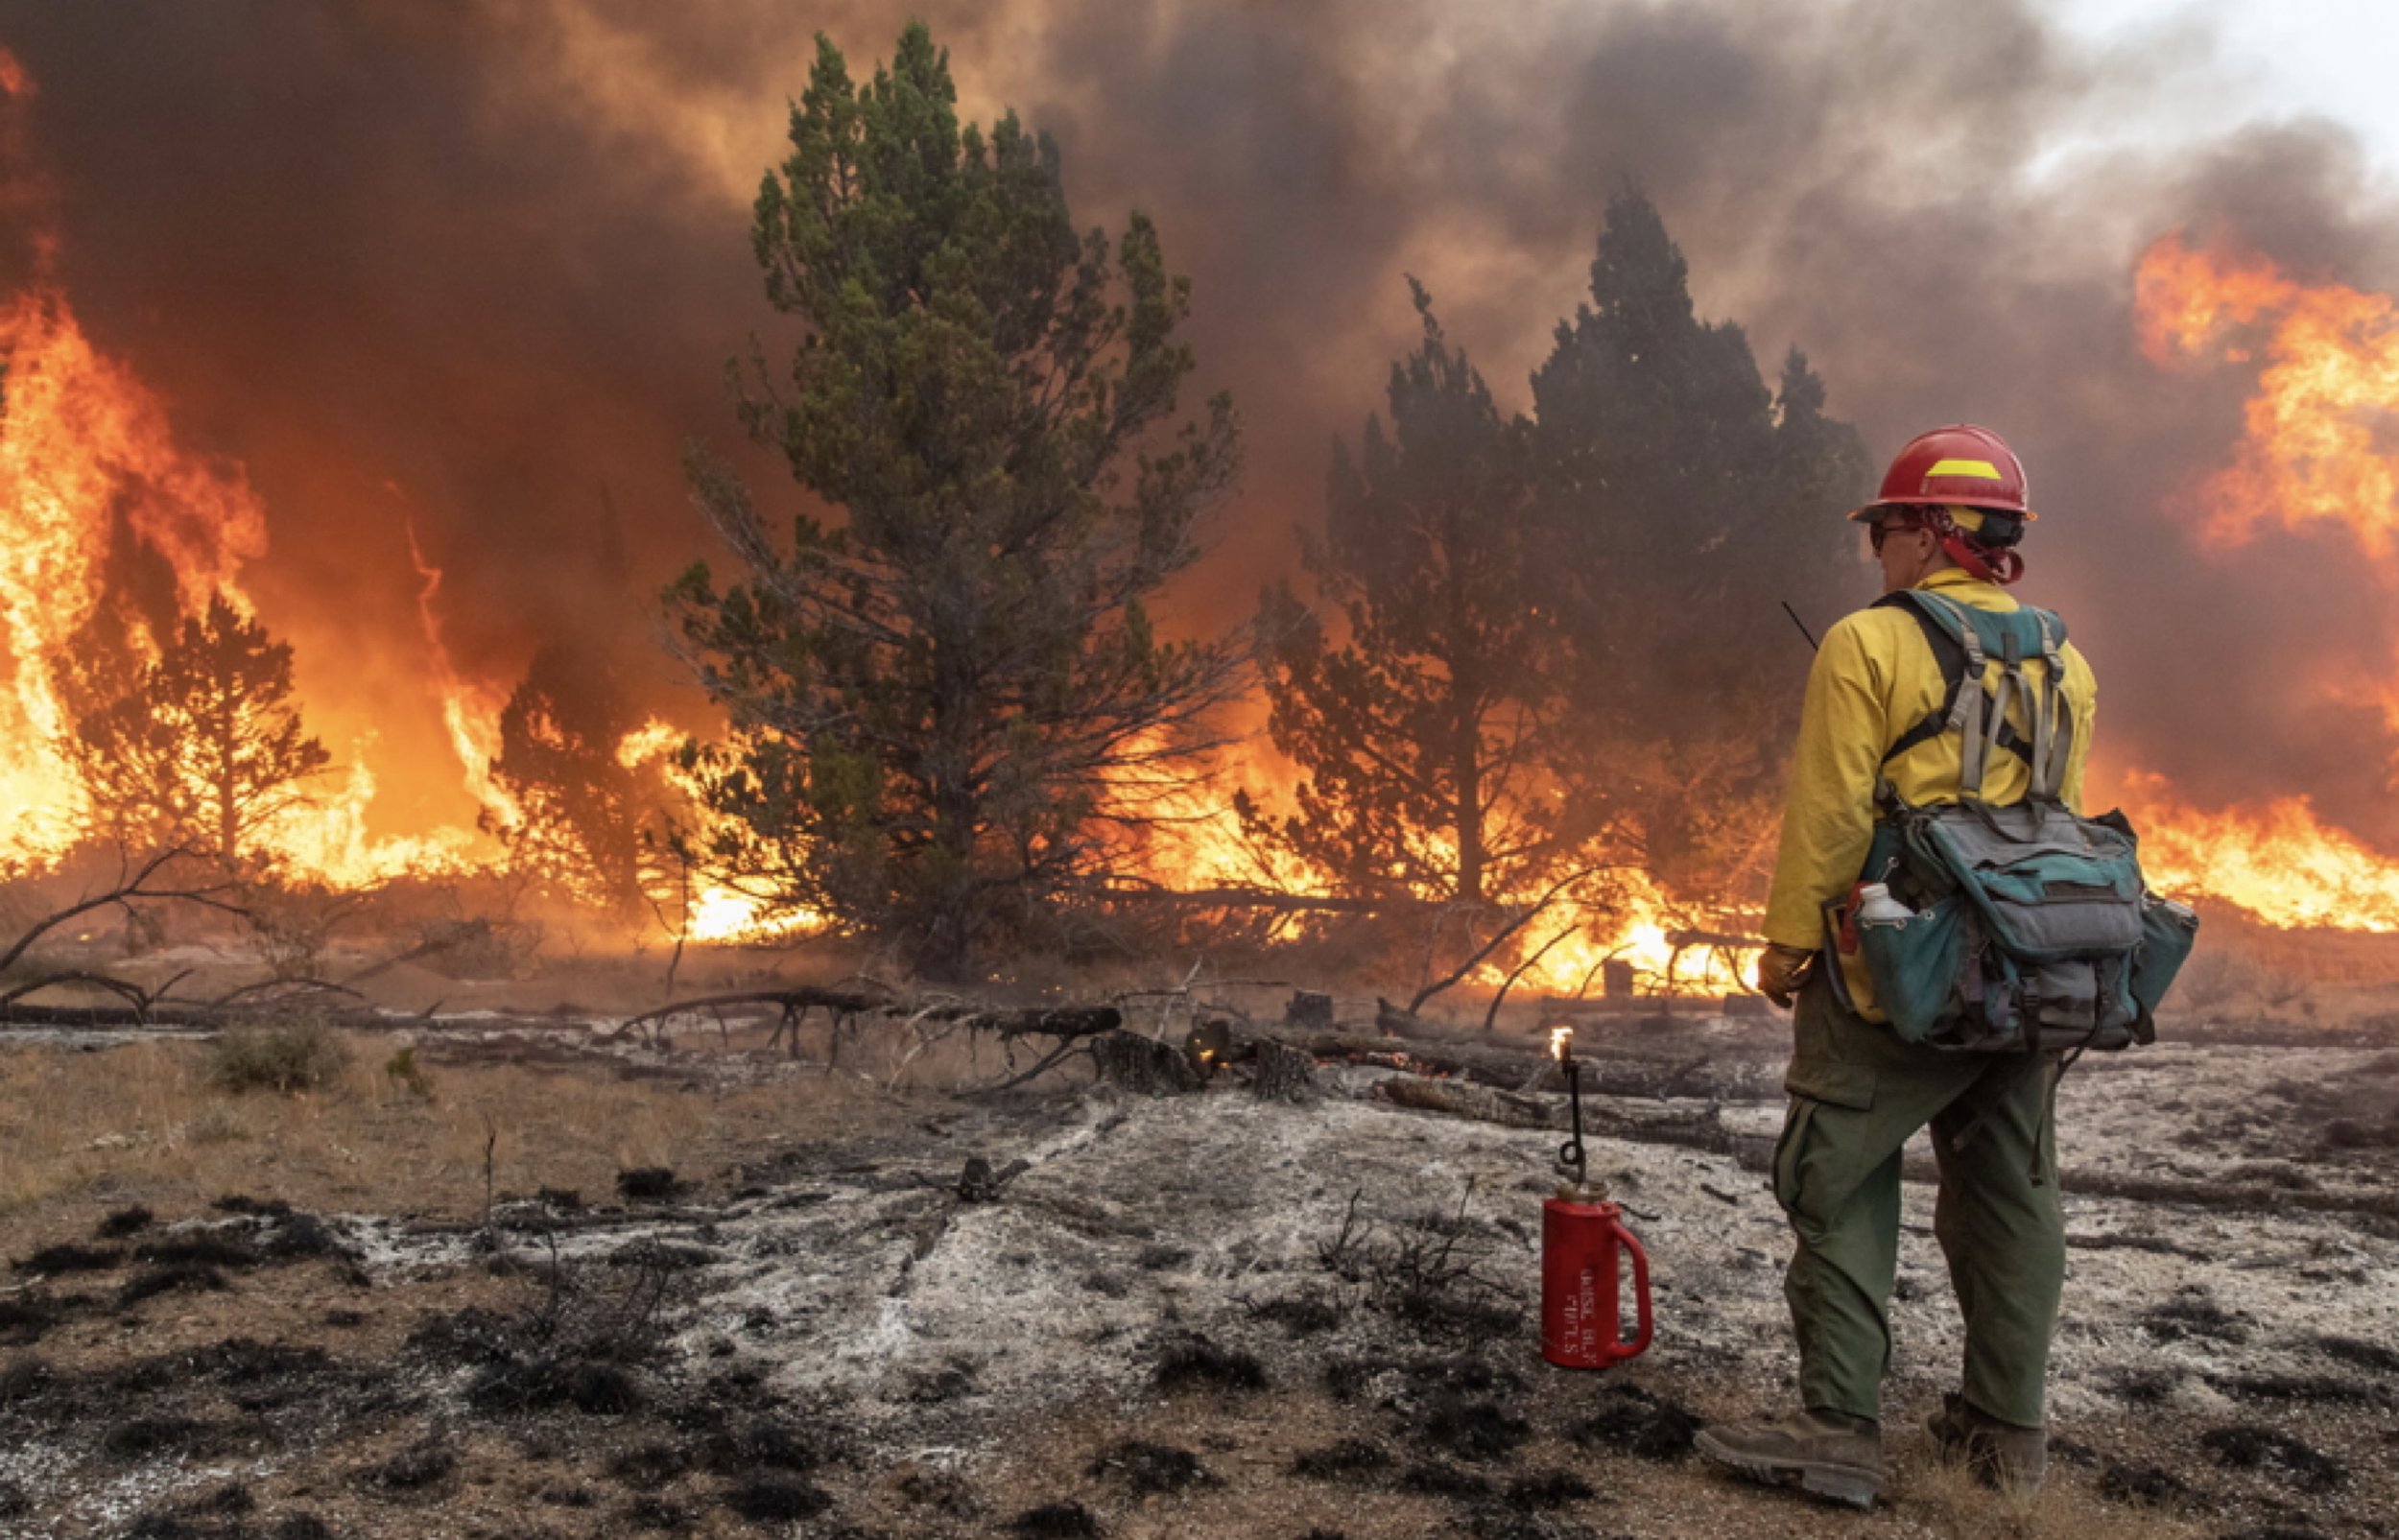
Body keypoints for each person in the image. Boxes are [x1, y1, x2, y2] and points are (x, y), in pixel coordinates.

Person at [1694, 424, 2097, 1508]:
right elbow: (2037, 826)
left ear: (1930, 531)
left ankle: (1835, 1427)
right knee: (2010, 1192)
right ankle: (2004, 1440)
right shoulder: (2067, 659)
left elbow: (1829, 813)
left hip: (1891, 963)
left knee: (1833, 1173)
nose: (1874, 552)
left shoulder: (1866, 644)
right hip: (2028, 971)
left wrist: (1786, 946)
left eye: (1883, 530)